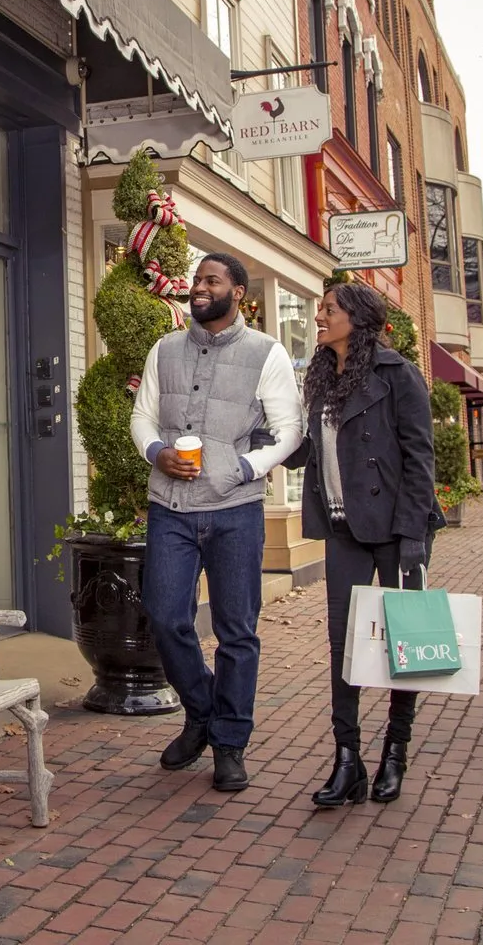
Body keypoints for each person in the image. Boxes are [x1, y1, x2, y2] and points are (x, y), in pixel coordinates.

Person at [130, 252, 304, 792]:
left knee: (236, 631)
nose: (199, 287)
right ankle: (202, 710)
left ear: (238, 292)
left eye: (212, 280)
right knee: (164, 617)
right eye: (197, 279)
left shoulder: (266, 353)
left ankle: (229, 743)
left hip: (235, 511)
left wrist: (242, 468)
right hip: (171, 509)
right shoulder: (165, 349)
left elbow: (288, 430)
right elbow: (142, 415)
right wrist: (157, 451)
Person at [289, 281, 438, 807]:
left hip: (396, 529)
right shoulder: (322, 378)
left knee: (406, 644)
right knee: (344, 646)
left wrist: (414, 533)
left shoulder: (398, 375)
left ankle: (394, 754)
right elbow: (314, 449)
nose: (318, 318)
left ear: (356, 316)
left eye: (328, 310)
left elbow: (420, 458)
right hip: (342, 528)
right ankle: (347, 760)